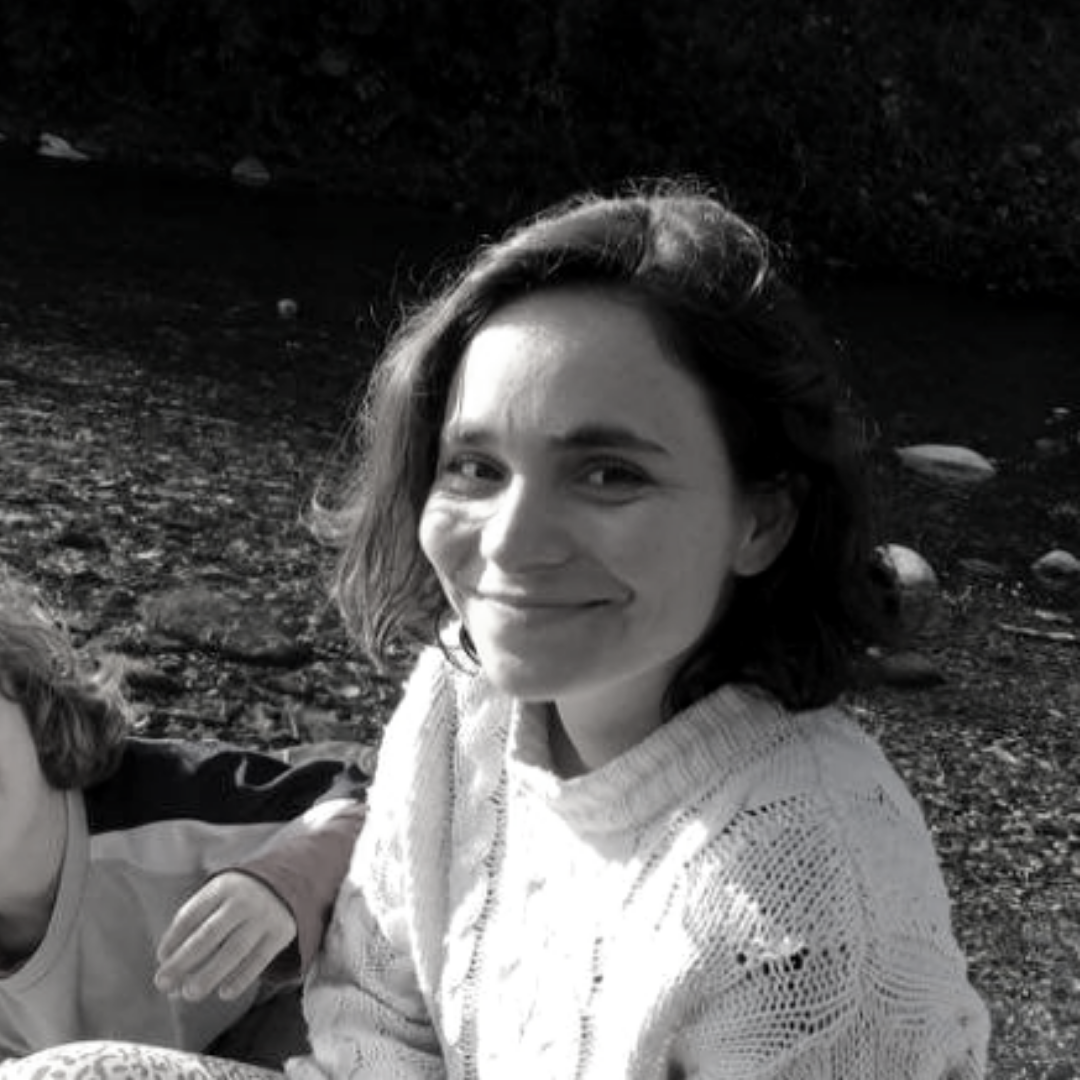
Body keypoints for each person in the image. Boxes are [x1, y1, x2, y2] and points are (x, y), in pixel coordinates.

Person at [7, 181, 991, 1080]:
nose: (511, 543)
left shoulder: (813, 905)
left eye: (609, 473)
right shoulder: (463, 694)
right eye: (476, 468)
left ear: (762, 519)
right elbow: (372, 1013)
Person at [0, 569, 366, 1070]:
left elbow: (380, 800)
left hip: (297, 1030)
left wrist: (285, 883)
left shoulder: (172, 810)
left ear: (26, 684)